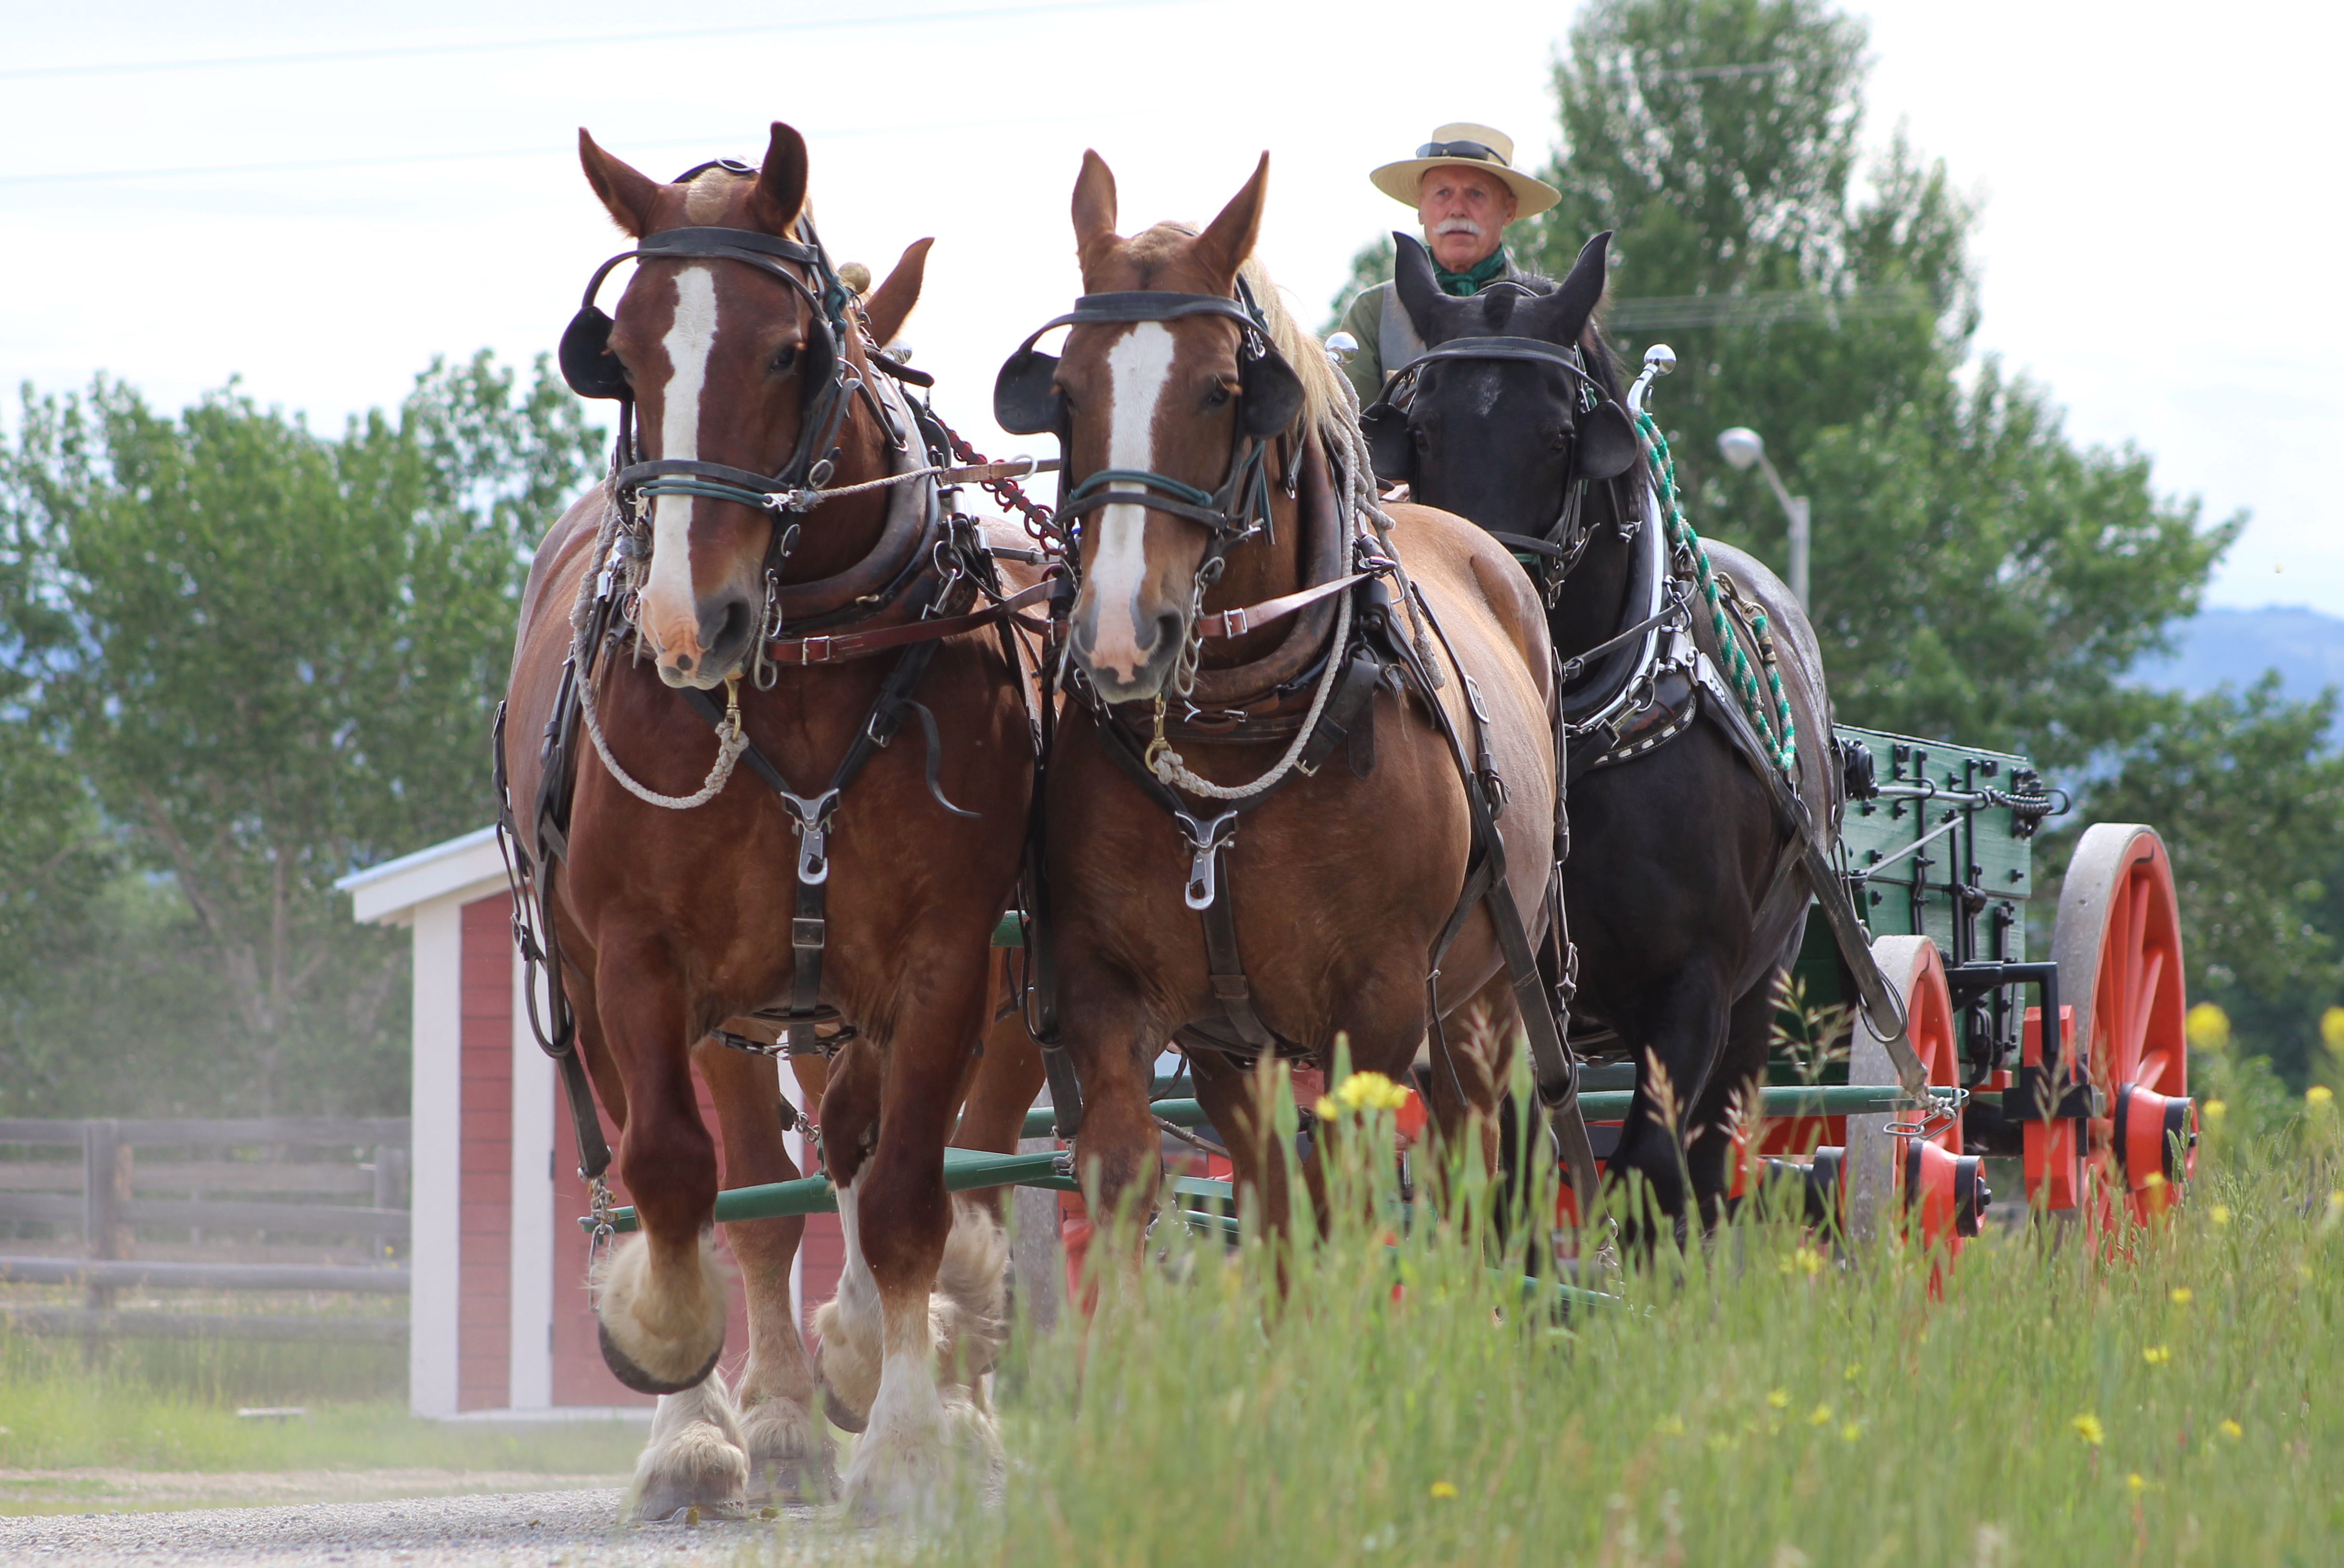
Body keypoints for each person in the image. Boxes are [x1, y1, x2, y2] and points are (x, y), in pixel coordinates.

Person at [1334, 122, 1562, 408]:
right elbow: (1349, 436)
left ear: (1509, 210)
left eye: (1476, 194)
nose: (1457, 209)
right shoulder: (1373, 313)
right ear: (1421, 208)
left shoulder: (1554, 307)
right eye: (1442, 193)